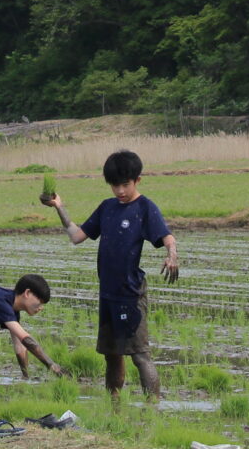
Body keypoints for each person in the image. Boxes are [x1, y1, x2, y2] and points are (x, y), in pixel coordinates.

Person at [44, 148, 179, 404]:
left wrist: (172, 254)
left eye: (125, 185)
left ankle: (153, 406)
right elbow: (76, 236)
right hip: (107, 294)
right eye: (114, 185)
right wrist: (58, 207)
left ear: (138, 180)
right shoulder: (107, 208)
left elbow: (166, 236)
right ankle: (113, 402)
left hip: (130, 293)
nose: (120, 191)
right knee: (111, 354)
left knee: (140, 354)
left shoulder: (145, 207)